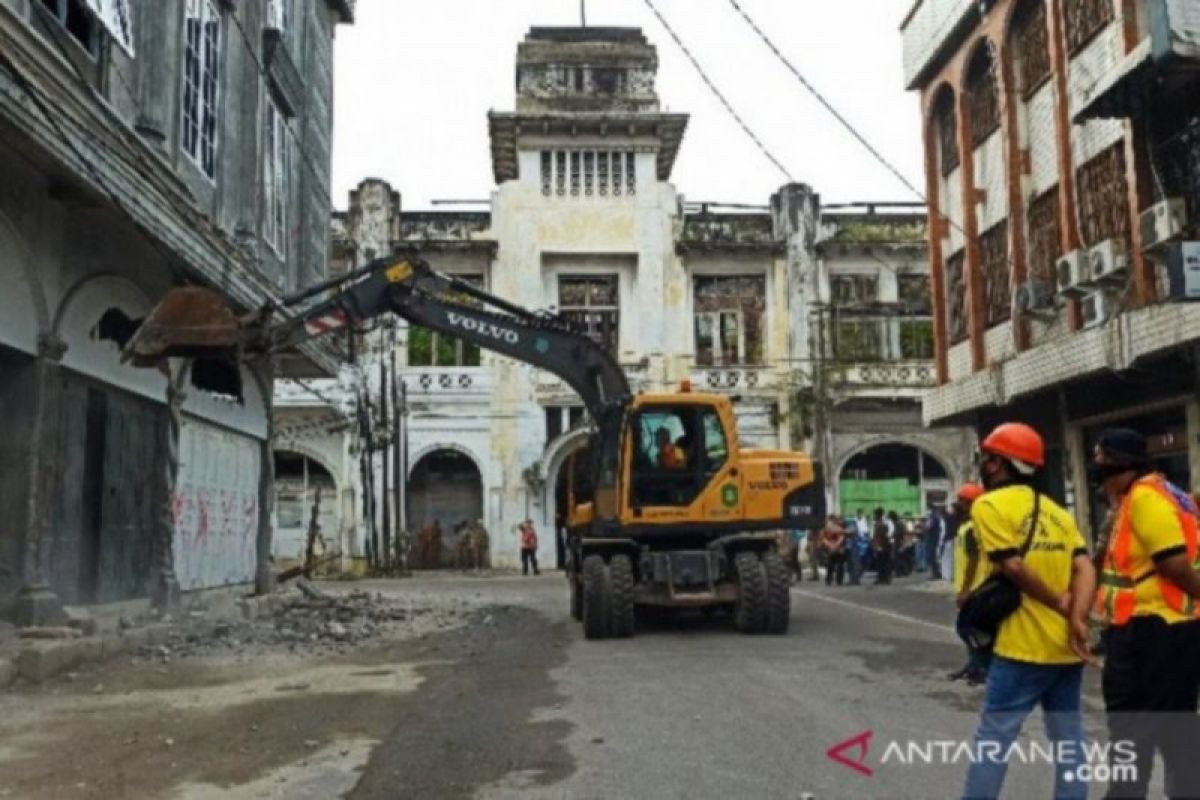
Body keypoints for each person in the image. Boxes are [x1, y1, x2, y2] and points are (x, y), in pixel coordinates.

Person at [961, 422, 1095, 800]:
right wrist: (1077, 617)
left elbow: (1013, 567)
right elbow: (1084, 566)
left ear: (996, 464)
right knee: (1069, 741)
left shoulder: (988, 506)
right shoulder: (1057, 512)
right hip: (1066, 650)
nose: (984, 466)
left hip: (1021, 649)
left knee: (994, 741)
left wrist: (1058, 603)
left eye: (986, 459)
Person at [1089, 429, 1200, 798]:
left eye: (1100, 458)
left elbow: (1175, 565)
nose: (1096, 466)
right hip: (1168, 631)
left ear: (1118, 462)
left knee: (1132, 733)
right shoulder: (1162, 494)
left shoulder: (1144, 499)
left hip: (1149, 632)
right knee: (1176, 729)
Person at [950, 482, 990, 685]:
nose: (957, 505)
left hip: (975, 587)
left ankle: (981, 666)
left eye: (962, 501)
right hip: (970, 586)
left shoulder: (972, 528)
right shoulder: (967, 526)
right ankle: (973, 665)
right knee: (970, 630)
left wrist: (966, 589)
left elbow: (973, 560)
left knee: (968, 629)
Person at [821, 515, 848, 586]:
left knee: (836, 565)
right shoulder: (830, 528)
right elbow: (824, 538)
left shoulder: (837, 528)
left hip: (837, 549)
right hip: (835, 549)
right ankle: (832, 580)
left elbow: (842, 537)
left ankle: (833, 580)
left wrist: (831, 545)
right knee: (833, 565)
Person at [871, 508, 893, 585]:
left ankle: (882, 578)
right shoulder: (883, 524)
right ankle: (885, 578)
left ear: (877, 515)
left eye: (874, 515)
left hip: (881, 546)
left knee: (881, 563)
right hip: (885, 546)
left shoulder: (879, 525)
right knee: (884, 562)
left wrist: (876, 546)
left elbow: (878, 537)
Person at [925, 505, 945, 580]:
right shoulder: (934, 517)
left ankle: (935, 574)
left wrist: (926, 527)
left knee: (931, 557)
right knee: (932, 557)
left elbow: (929, 527)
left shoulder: (934, 517)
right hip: (933, 539)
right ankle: (936, 573)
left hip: (932, 539)